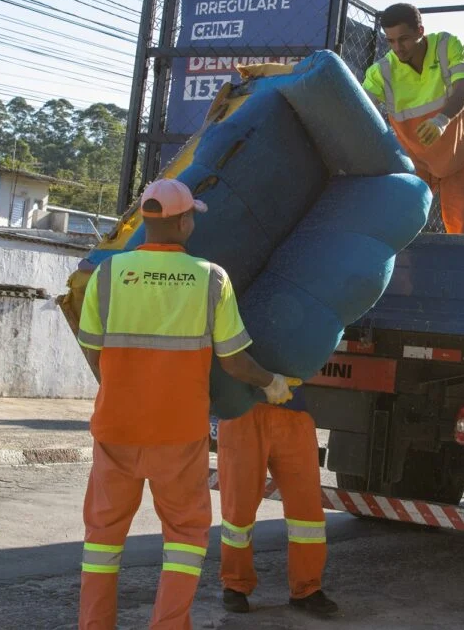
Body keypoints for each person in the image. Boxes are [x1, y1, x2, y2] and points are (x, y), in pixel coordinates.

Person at [76, 178, 296, 630]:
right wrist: (270, 383)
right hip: (178, 434)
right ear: (182, 221)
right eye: (192, 214)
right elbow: (234, 361)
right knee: (185, 537)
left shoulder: (108, 275)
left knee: (102, 540)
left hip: (115, 429)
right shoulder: (210, 278)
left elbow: (93, 352)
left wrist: (120, 385)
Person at [217, 384, 338, 617]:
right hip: (243, 411)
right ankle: (235, 585)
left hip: (292, 410)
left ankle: (307, 589)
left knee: (307, 515)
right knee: (238, 511)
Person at [362, 2, 464, 235]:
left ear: (420, 31)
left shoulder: (447, 46)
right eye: (390, 41)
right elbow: (356, 103)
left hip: (458, 160)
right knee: (399, 228)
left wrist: (441, 120)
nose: (398, 48)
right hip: (414, 164)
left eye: (404, 39)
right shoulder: (381, 72)